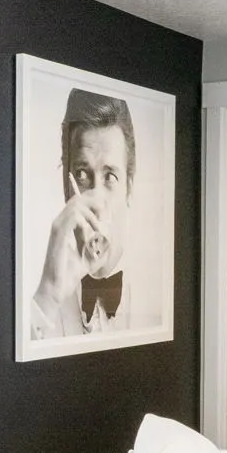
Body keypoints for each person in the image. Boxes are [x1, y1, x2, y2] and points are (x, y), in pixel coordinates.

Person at [32, 88, 137, 337]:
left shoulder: (159, 294)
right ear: (65, 185)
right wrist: (48, 295)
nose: (96, 200)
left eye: (110, 176)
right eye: (81, 174)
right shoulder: (40, 296)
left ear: (129, 187)